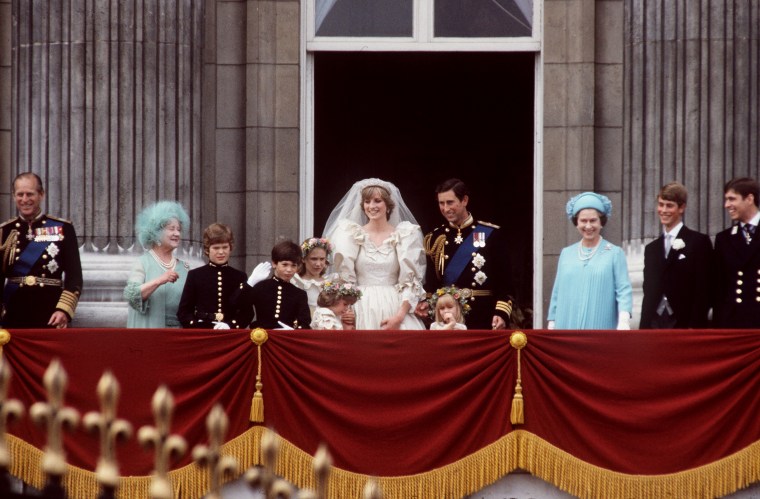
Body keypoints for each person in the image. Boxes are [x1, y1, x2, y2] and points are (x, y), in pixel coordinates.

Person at [323, 178, 426, 330]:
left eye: (377, 201)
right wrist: (348, 312)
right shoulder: (351, 234)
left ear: (388, 205)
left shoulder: (405, 235)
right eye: (367, 201)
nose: (371, 206)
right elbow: (345, 279)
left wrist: (398, 318)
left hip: (395, 307)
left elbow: (410, 282)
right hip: (360, 307)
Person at [420, 178, 513, 330]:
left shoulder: (490, 234)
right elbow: (431, 284)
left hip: (483, 316)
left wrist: (501, 312)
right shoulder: (435, 238)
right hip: (448, 318)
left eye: (450, 202)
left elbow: (505, 283)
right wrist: (426, 304)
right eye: (441, 203)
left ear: (464, 200)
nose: (445, 208)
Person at [0, 172, 83, 328]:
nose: (25, 200)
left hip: (50, 312)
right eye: (20, 194)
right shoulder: (4, 231)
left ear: (41, 195)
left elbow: (74, 276)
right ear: (13, 196)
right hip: (13, 312)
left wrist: (63, 310)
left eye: (30, 194)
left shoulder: (62, 228)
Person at [547, 192, 633, 330]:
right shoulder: (566, 253)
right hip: (566, 325)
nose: (588, 226)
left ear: (601, 222)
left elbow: (623, 290)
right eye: (583, 221)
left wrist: (624, 319)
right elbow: (557, 292)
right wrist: (552, 322)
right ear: (576, 222)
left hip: (600, 328)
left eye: (593, 220)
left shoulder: (615, 253)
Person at [640, 183, 713, 329]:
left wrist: (696, 324)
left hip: (685, 322)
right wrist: (644, 326)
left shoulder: (698, 242)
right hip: (654, 322)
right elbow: (648, 291)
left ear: (681, 208)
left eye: (669, 205)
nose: (663, 210)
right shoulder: (651, 249)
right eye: (661, 205)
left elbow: (704, 287)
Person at [124, 201, 191, 328]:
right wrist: (160, 280)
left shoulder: (185, 268)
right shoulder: (143, 263)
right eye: (171, 229)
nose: (177, 233)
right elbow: (132, 295)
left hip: (177, 339)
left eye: (179, 229)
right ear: (156, 232)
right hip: (151, 337)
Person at [177, 223, 252, 329]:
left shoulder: (239, 276)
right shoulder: (195, 275)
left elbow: (247, 312)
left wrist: (230, 325)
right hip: (203, 333)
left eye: (225, 247)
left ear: (230, 248)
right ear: (207, 249)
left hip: (230, 333)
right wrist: (198, 326)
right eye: (216, 248)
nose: (221, 252)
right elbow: (184, 312)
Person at [713, 177, 760, 328]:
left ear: (749, 199)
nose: (727, 205)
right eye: (726, 200)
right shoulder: (723, 239)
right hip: (734, 323)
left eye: (732, 199)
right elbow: (719, 287)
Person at [234, 240, 311, 330]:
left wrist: (293, 331)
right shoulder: (261, 287)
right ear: (274, 263)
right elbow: (236, 303)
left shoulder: (299, 294)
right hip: (261, 338)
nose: (289, 269)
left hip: (286, 340)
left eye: (293, 265)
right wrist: (250, 283)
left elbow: (305, 323)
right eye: (285, 264)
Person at [292, 237, 333, 312]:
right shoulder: (296, 281)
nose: (318, 264)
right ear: (303, 259)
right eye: (314, 259)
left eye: (322, 259)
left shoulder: (330, 282)